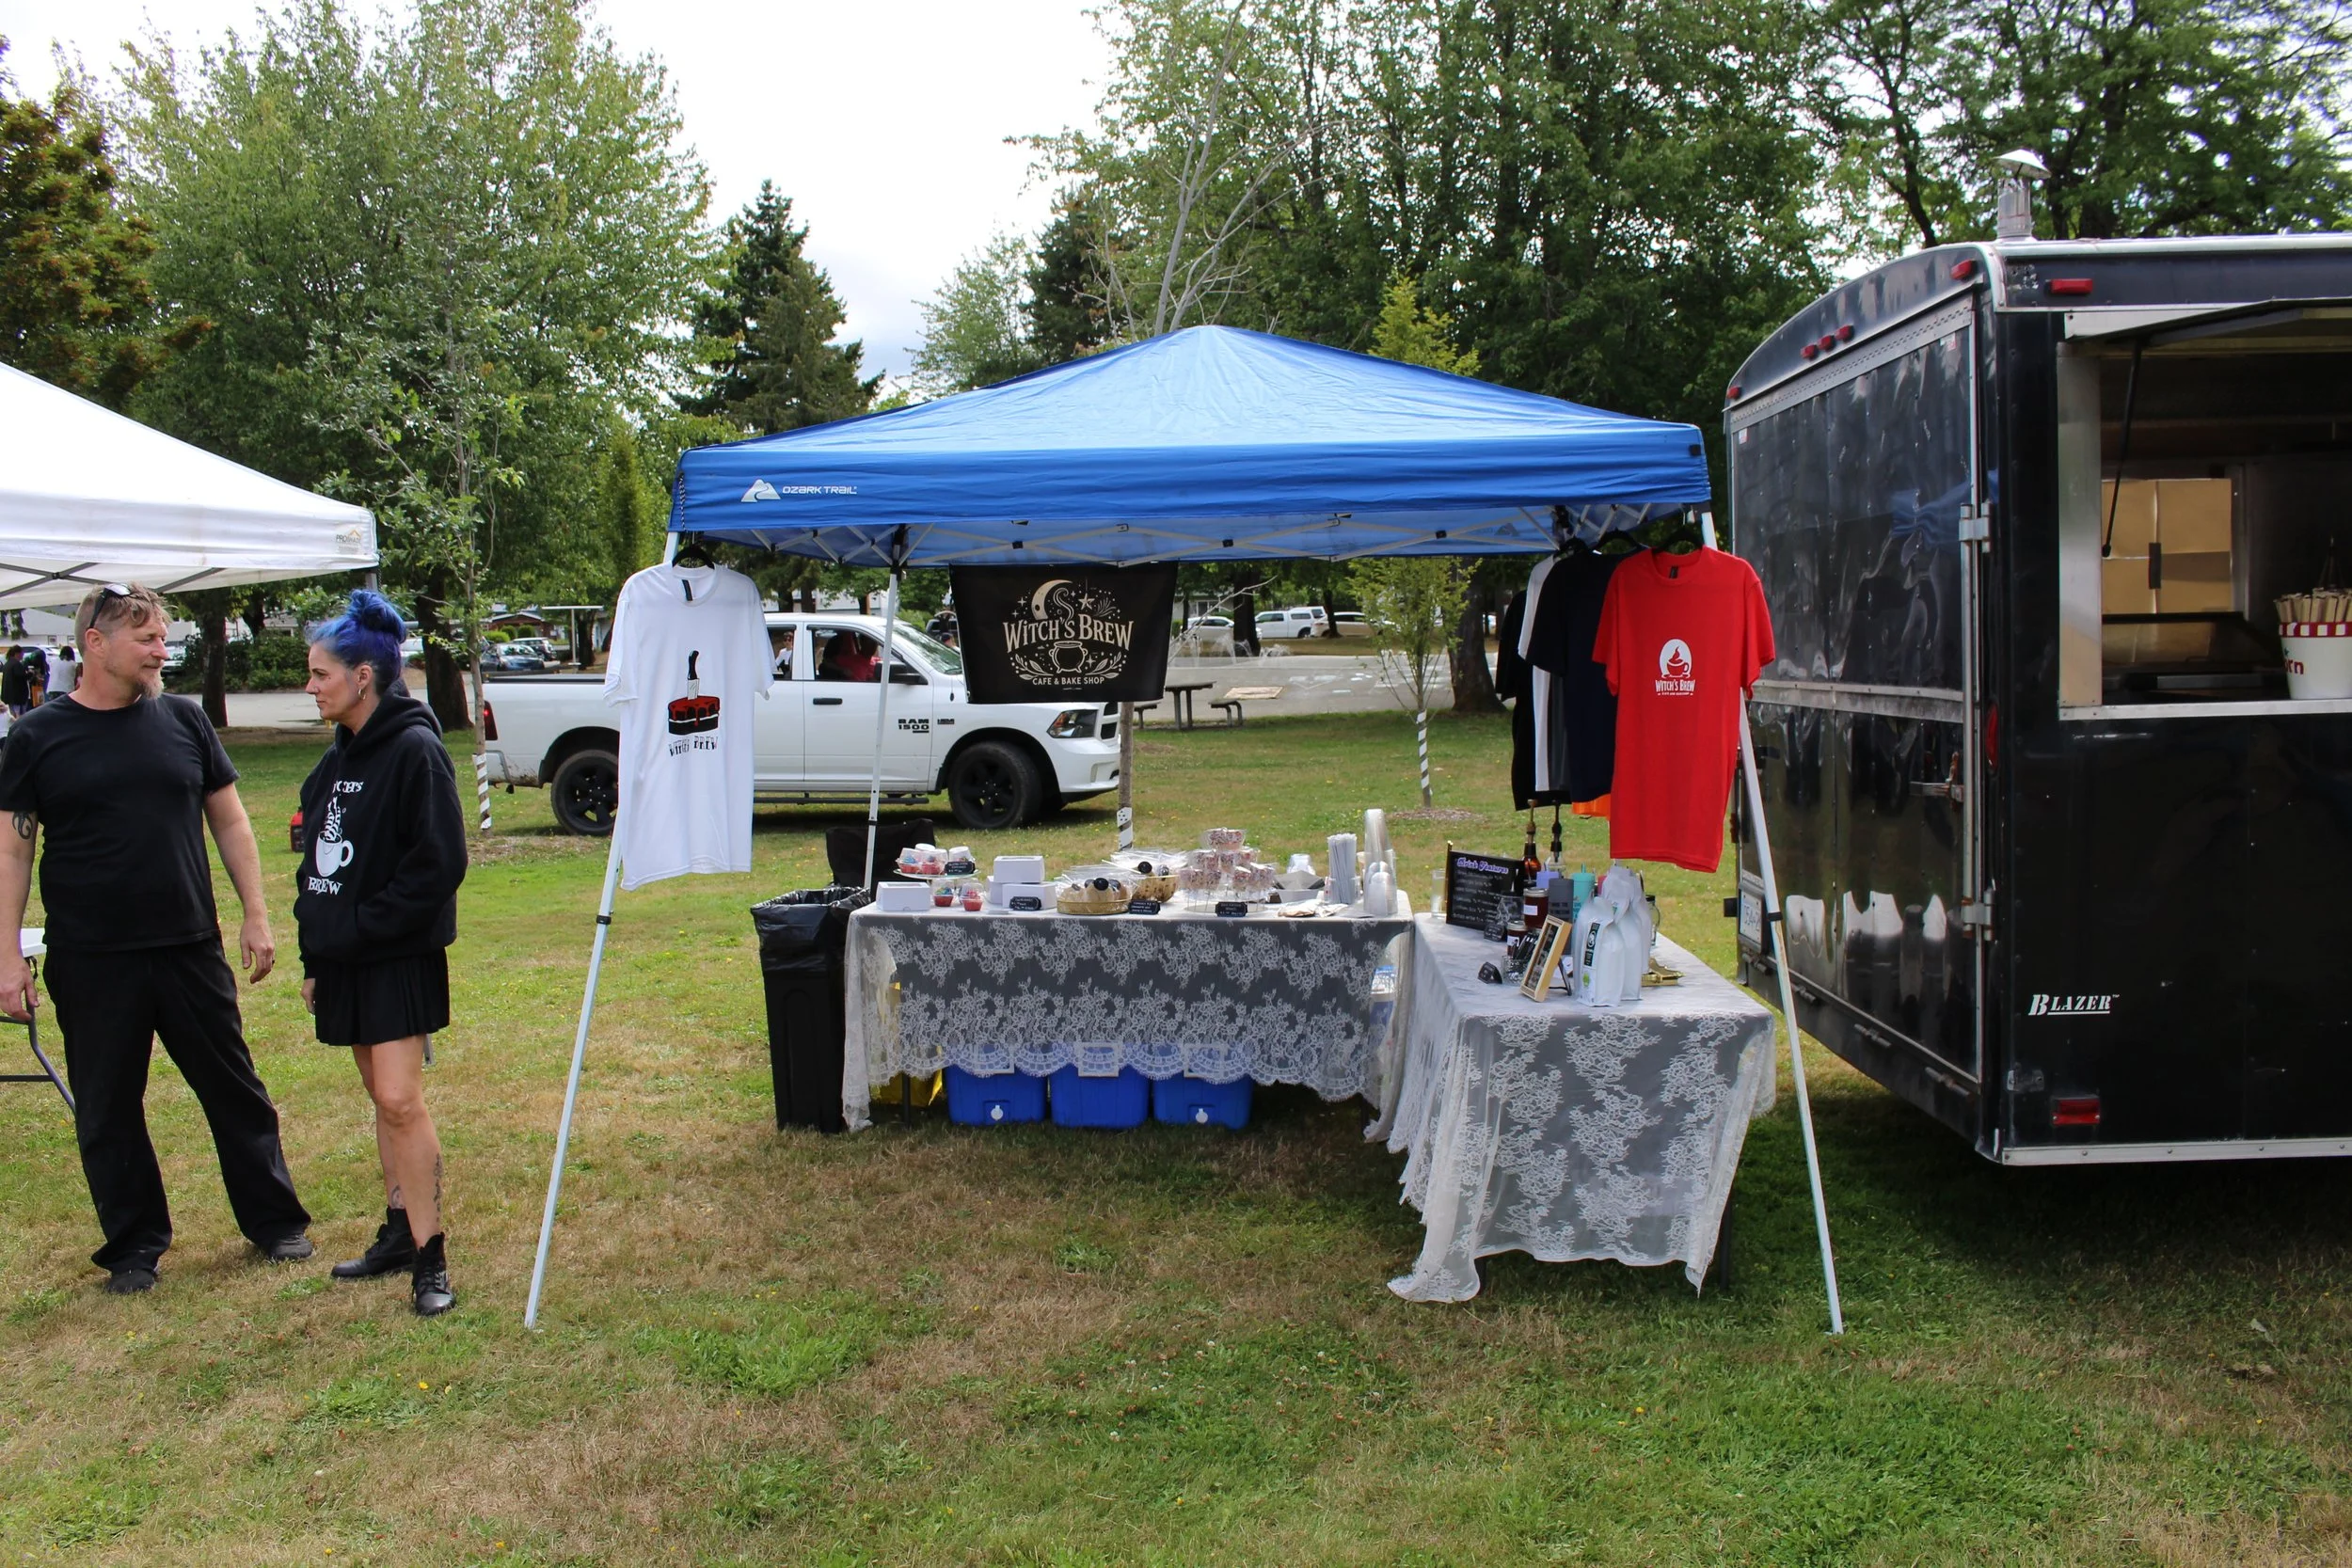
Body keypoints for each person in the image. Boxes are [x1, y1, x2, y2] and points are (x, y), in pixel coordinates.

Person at [0, 583, 311, 1294]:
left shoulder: (182, 720)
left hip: (187, 945)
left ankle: (275, 1221)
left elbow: (229, 821)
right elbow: (12, 852)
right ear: (96, 644)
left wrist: (255, 913)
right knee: (108, 1106)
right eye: (146, 638)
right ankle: (135, 1244)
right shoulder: (37, 736)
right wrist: (7, 954)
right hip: (91, 955)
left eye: (162, 636)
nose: (160, 650)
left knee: (235, 1090)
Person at [295, 591, 468, 1317]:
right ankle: (398, 1229)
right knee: (381, 1098)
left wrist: (362, 928)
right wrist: (318, 954)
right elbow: (317, 864)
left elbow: (438, 864)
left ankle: (431, 1259)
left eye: (319, 674)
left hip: (394, 955)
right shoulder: (338, 757)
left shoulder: (415, 750)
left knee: (400, 1098)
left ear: (363, 676)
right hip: (345, 960)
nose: (310, 687)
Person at [1, 646, 26, 717]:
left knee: (13, 714)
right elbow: (21, 677)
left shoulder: (7, 664)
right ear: (17, 654)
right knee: (19, 715)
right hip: (17, 696)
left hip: (8, 695)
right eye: (22, 653)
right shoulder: (17, 664)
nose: (23, 655)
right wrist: (30, 674)